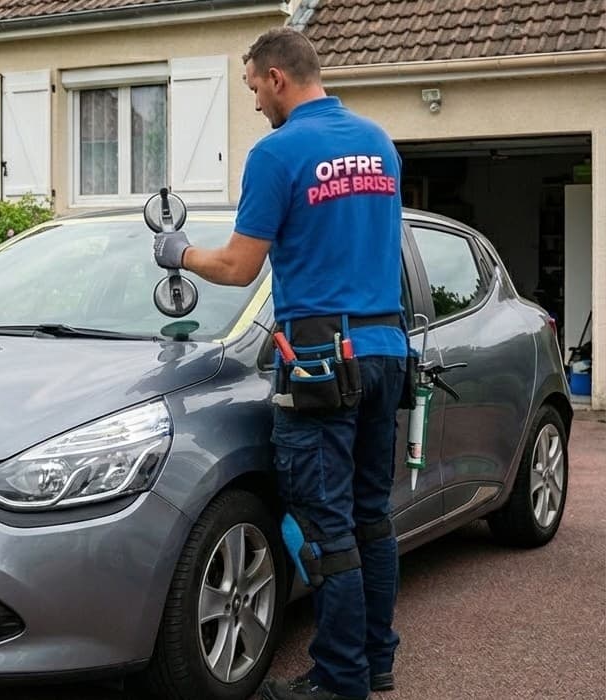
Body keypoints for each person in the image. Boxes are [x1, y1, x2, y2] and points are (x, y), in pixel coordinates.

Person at [152, 28, 407, 700]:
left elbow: (240, 267)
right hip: (386, 350)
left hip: (320, 359)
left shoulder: (278, 152)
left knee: (325, 529)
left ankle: (339, 681)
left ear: (277, 78)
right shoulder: (379, 143)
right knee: (371, 516)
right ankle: (375, 660)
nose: (256, 103)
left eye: (253, 89)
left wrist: (181, 254)